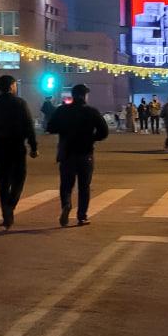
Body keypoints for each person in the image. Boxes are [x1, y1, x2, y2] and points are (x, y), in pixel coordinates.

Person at [0, 75, 38, 230]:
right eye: (15, 84)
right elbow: (29, 126)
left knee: (3, 180)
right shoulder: (20, 103)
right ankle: (10, 204)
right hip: (17, 145)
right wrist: (33, 147)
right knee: (19, 177)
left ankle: (6, 215)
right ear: (12, 86)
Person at [46, 82, 109, 227]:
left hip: (67, 152)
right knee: (84, 186)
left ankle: (66, 205)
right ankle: (82, 216)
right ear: (85, 96)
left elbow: (50, 127)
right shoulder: (91, 111)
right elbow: (103, 132)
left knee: (66, 185)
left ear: (73, 96)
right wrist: (92, 138)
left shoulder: (62, 110)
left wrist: (64, 130)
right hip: (85, 153)